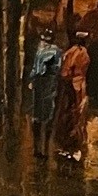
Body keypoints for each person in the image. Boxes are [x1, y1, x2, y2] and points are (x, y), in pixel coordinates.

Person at [53, 28, 90, 161]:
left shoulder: (70, 51)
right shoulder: (82, 52)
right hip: (77, 85)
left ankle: (66, 142)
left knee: (67, 111)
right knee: (76, 112)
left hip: (68, 83)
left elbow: (63, 68)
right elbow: (78, 68)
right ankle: (73, 143)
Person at [28, 28, 61, 158]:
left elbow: (39, 69)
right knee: (43, 114)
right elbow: (56, 68)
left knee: (41, 113)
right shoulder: (53, 51)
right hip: (46, 83)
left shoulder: (46, 51)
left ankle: (41, 147)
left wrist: (33, 78)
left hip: (44, 83)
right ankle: (42, 147)